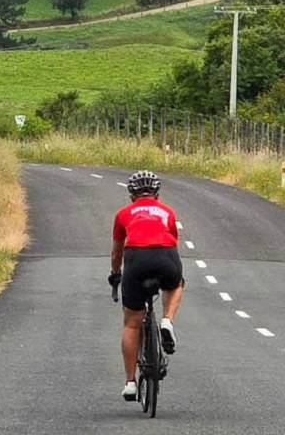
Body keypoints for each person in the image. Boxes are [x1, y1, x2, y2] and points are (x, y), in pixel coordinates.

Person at [107, 169, 185, 402]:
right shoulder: (168, 211)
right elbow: (172, 242)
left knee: (132, 324)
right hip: (166, 257)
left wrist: (115, 274)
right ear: (157, 194)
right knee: (176, 284)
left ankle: (130, 382)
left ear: (131, 194)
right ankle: (166, 320)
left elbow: (116, 251)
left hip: (136, 259)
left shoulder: (123, 213)